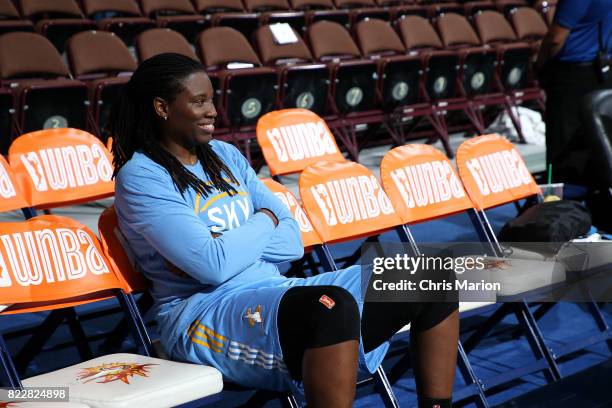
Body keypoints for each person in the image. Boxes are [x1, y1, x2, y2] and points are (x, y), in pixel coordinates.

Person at [110, 53, 459, 408]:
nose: (212, 110)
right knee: (328, 306)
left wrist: (231, 242)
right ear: (161, 107)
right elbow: (213, 266)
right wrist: (264, 220)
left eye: (212, 99)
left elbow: (292, 243)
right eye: (199, 101)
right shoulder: (142, 176)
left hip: (274, 291)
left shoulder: (225, 155)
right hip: (204, 314)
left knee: (430, 276)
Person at [536, 0, 612, 186]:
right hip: (604, 69)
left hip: (573, 75)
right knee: (596, 144)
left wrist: (538, 65)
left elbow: (555, 39)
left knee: (564, 148)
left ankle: (563, 205)